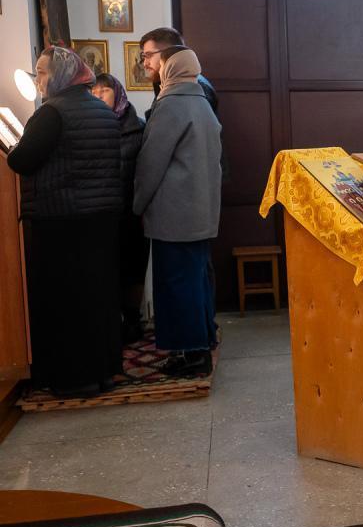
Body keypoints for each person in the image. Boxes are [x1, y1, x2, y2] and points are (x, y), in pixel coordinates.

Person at [6, 47, 123, 397]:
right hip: (101, 218)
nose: (37, 80)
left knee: (66, 302)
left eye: (42, 73)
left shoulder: (52, 112)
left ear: (59, 75)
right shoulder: (101, 110)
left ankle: (75, 379)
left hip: (61, 219)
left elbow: (21, 161)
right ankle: (104, 372)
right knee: (98, 297)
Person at [133, 46, 222, 376]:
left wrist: (138, 203)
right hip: (200, 212)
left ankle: (191, 355)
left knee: (176, 285)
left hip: (174, 215)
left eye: (160, 64)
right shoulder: (202, 102)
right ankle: (202, 342)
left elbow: (151, 163)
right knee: (195, 282)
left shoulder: (171, 104)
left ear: (171, 68)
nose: (156, 70)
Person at [92, 72, 148, 344]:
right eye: (93, 92)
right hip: (103, 211)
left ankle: (133, 320)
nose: (98, 96)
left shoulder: (138, 127)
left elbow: (146, 170)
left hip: (133, 210)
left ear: (117, 93)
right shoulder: (92, 126)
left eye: (104, 91)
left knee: (133, 269)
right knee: (108, 269)